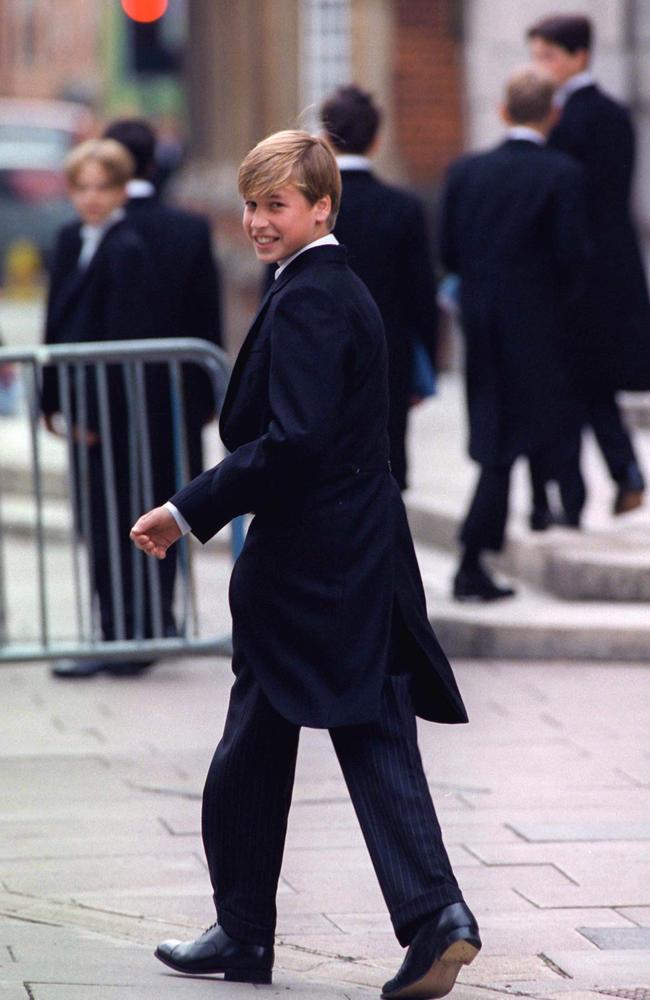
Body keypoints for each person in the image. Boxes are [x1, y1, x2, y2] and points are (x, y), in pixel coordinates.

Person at [130, 130, 481, 999]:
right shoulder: (320, 286)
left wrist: (186, 508)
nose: (255, 220)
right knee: (315, 741)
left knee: (300, 740)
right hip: (351, 554)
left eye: (274, 205)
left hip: (314, 565)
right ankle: (310, 927)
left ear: (321, 207)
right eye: (251, 204)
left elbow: (295, 442)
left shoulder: (316, 298)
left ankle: (302, 926)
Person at [439, 67, 587, 601]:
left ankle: (521, 523)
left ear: (503, 111)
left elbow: (449, 251)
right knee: (513, 442)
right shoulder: (563, 174)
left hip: (481, 323)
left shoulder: (465, 172)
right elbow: (575, 258)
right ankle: (474, 558)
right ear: (554, 114)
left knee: (497, 435)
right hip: (540, 328)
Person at [41, 139, 164, 677]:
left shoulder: (127, 247)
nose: (92, 199)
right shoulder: (72, 240)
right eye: (82, 188)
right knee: (95, 521)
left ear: (121, 191)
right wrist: (49, 397)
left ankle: (125, 634)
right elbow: (55, 321)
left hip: (112, 413)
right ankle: (108, 630)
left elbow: (124, 340)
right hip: (77, 401)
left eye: (103, 188)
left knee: (118, 518)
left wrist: (95, 416)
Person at [528, 13, 649, 516]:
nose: (541, 67)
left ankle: (576, 495)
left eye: (548, 56)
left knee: (572, 386)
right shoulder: (613, 113)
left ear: (579, 56)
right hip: (611, 269)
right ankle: (623, 475)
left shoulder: (569, 120)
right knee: (591, 384)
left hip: (580, 274)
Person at [319, 84, 439, 491]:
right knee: (387, 464)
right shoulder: (403, 207)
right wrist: (428, 365)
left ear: (324, 138)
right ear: (377, 139)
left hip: (319, 351)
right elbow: (423, 293)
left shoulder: (312, 206)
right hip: (389, 353)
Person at [102, 117, 223, 480]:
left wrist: (56, 401)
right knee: (170, 505)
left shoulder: (90, 229)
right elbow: (207, 312)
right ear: (154, 164)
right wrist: (208, 393)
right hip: (177, 392)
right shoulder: (191, 228)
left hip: (106, 394)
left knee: (107, 508)